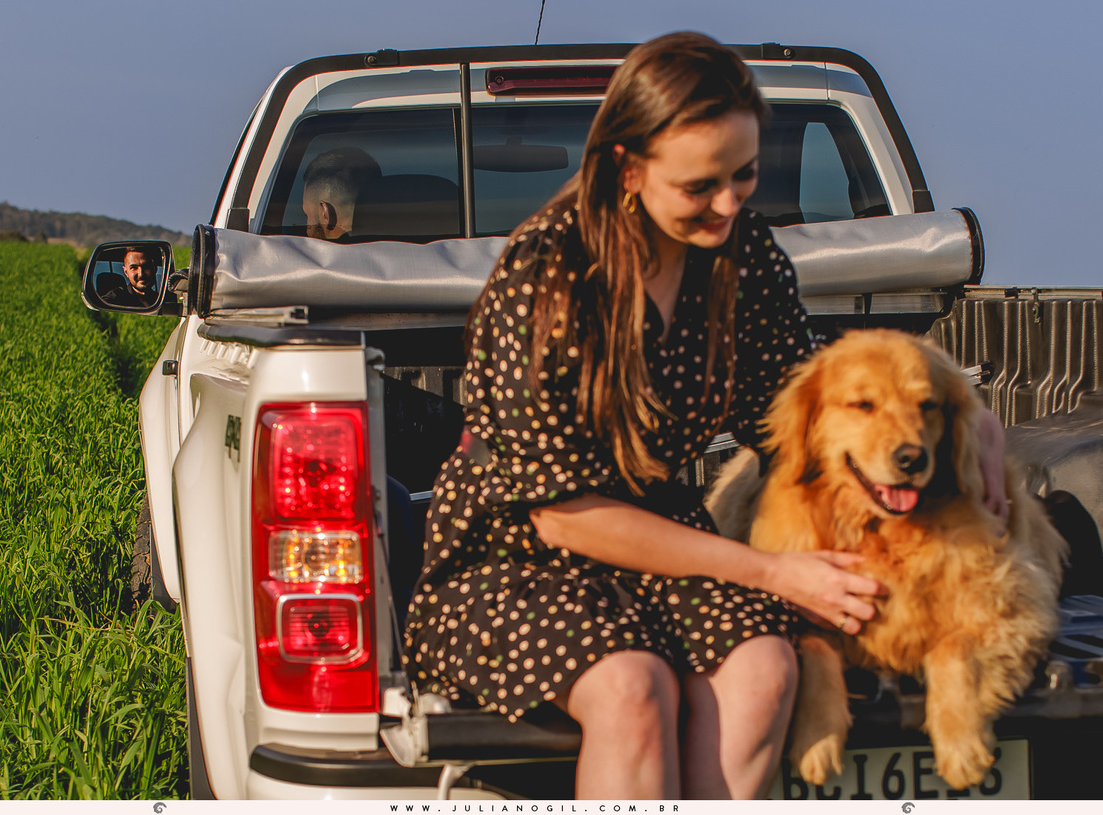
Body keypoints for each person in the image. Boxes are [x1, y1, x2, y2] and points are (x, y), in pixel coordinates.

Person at [403, 32, 1007, 800]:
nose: (728, 204)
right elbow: (561, 516)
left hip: (664, 538)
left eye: (744, 174)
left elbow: (798, 413)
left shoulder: (745, 256)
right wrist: (776, 572)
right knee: (632, 687)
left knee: (765, 669)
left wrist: (968, 419)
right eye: (699, 186)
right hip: (513, 553)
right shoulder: (546, 275)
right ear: (628, 168)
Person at [301, 146, 382, 241]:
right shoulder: (394, 245)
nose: (307, 231)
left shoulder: (301, 249)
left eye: (307, 216)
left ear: (325, 215)